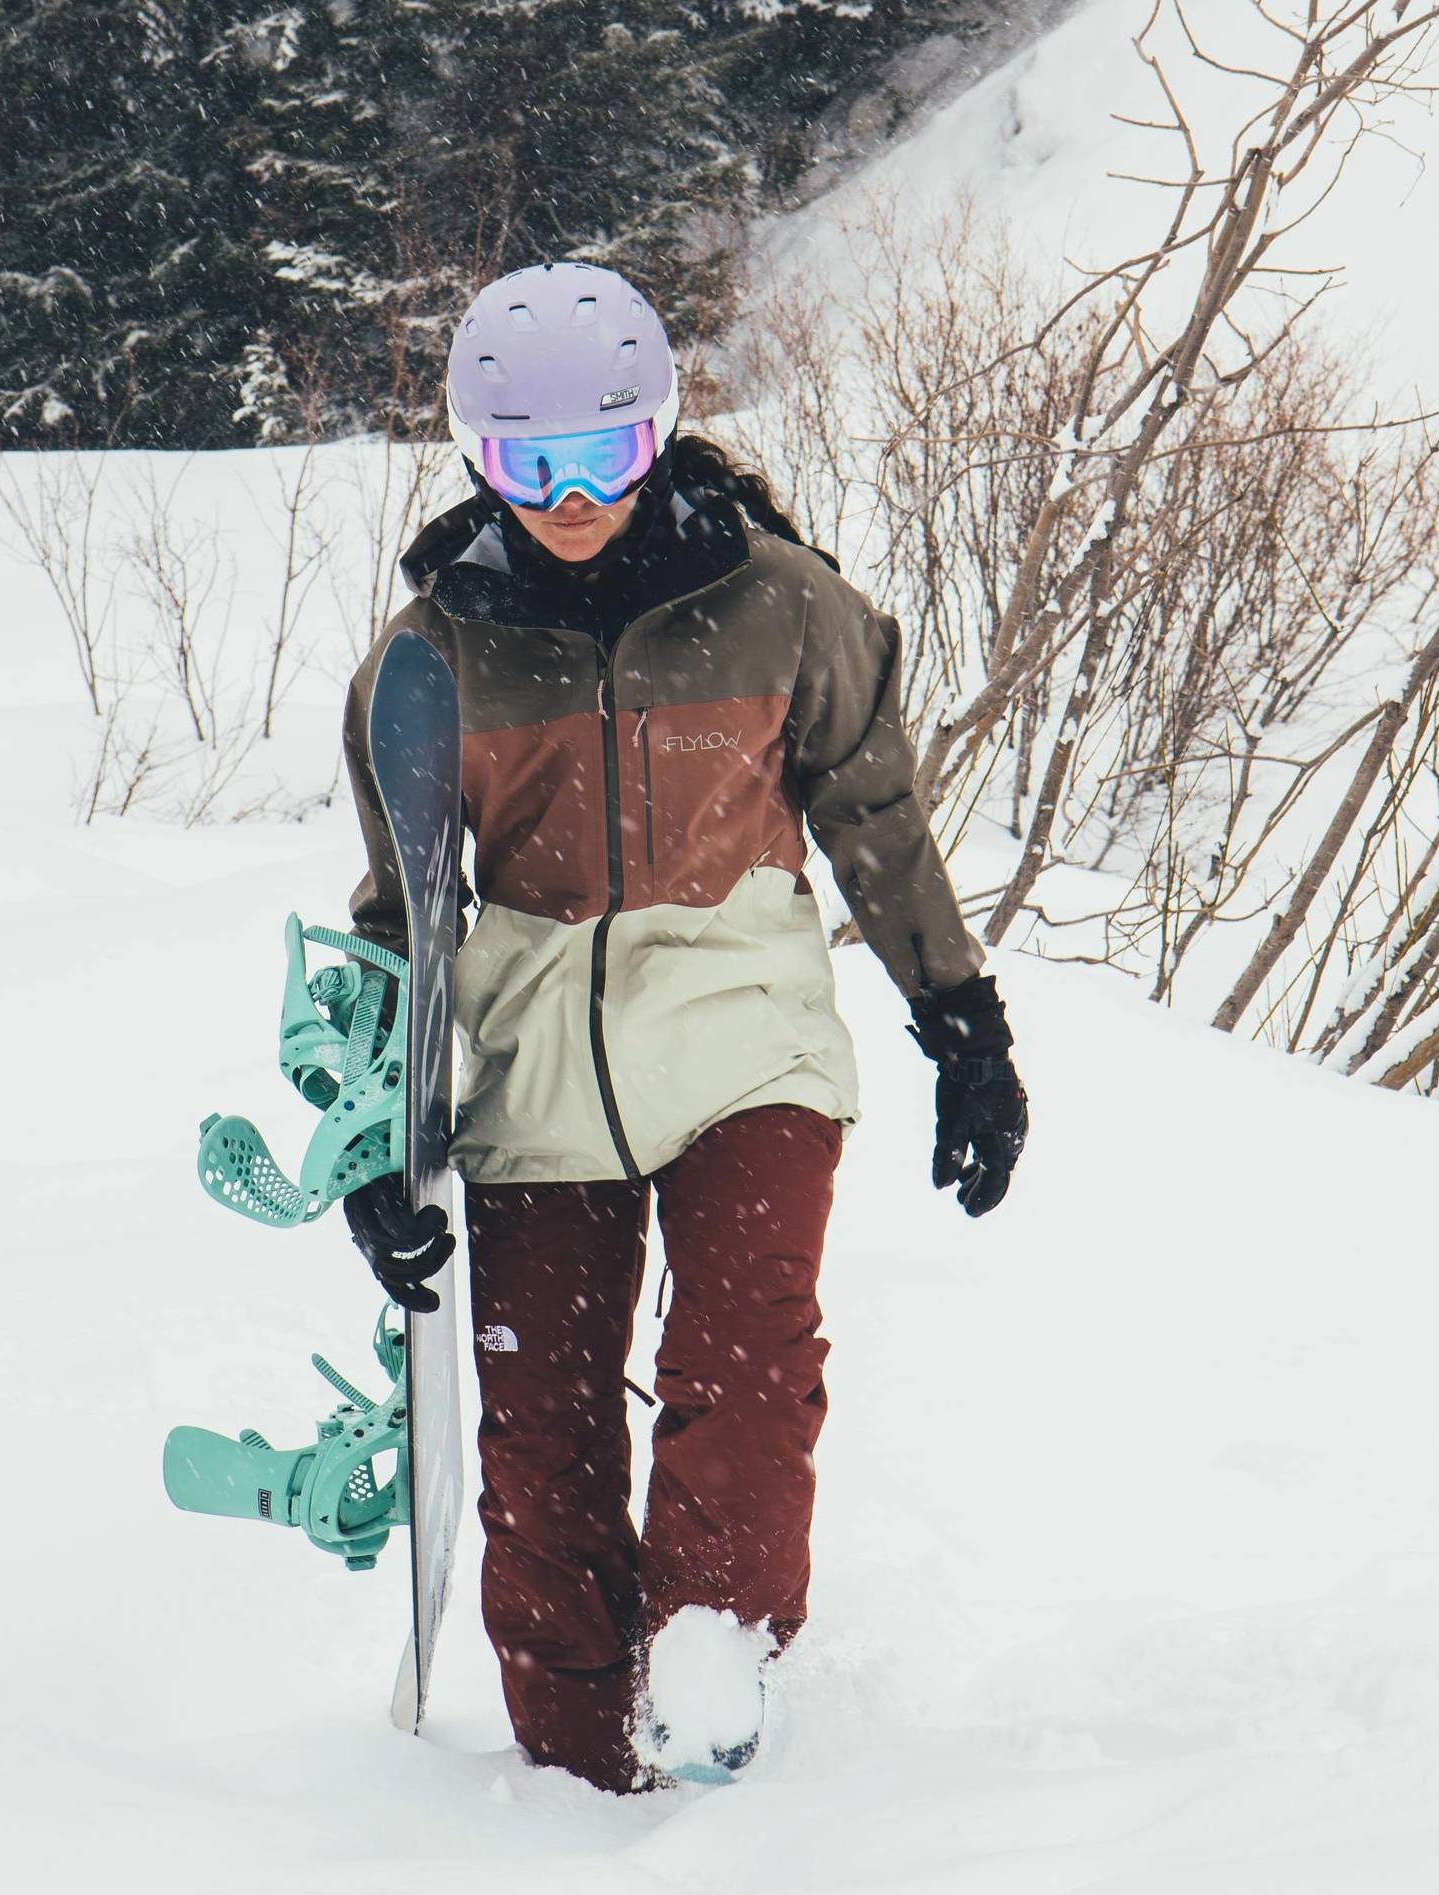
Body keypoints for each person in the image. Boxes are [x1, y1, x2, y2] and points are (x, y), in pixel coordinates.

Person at [338, 261, 1028, 1793]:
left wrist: (961, 1029)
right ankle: (579, 1770)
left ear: (657, 438)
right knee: (543, 1433)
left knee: (742, 1356)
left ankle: (714, 1658)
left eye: (600, 458)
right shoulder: (424, 662)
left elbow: (875, 822)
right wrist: (372, 1145)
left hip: (744, 1043)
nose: (567, 498)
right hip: (531, 1075)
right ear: (473, 452)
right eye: (528, 465)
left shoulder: (783, 608)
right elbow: (400, 925)